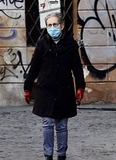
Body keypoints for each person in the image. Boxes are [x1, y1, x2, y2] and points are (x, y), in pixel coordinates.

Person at [23, 12, 86, 160]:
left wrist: (80, 87)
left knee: (62, 125)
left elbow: (77, 68)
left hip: (64, 89)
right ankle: (48, 155)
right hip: (46, 90)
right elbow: (34, 68)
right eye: (49, 25)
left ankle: (62, 155)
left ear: (62, 25)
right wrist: (27, 87)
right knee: (47, 123)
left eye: (55, 24)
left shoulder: (70, 44)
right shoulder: (42, 44)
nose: (52, 28)